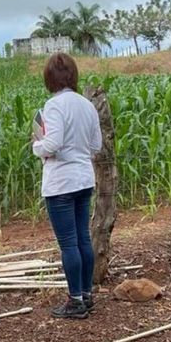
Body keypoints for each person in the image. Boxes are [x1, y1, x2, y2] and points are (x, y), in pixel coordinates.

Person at [33, 53, 102, 319]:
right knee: (83, 238)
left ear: (49, 78)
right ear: (73, 75)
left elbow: (52, 144)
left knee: (69, 243)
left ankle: (74, 302)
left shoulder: (54, 105)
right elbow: (96, 146)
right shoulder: (87, 104)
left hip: (61, 182)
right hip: (85, 178)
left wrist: (37, 147)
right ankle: (86, 295)